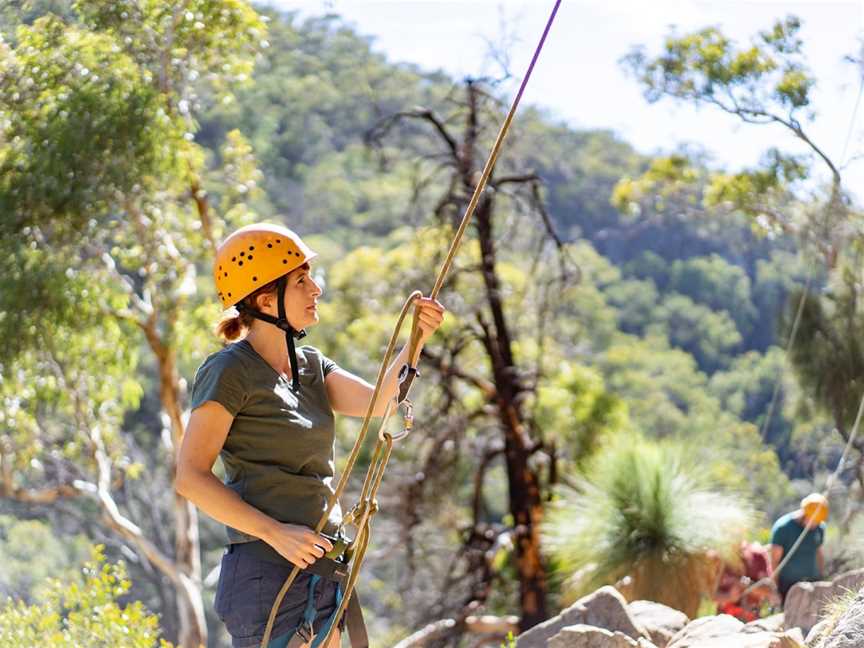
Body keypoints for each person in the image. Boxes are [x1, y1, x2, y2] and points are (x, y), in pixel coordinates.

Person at [176, 223, 445, 648]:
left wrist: (416, 340)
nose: (316, 289)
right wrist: (274, 532)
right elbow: (190, 477)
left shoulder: (311, 366)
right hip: (267, 575)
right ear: (266, 300)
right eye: (300, 281)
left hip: (321, 568)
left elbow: (381, 402)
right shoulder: (229, 372)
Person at [770, 493, 828, 604]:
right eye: (813, 520)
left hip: (812, 583)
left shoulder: (820, 528)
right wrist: (775, 590)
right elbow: (774, 561)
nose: (815, 524)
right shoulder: (783, 528)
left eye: (818, 521)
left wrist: (821, 576)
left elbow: (819, 552)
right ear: (804, 514)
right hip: (788, 586)